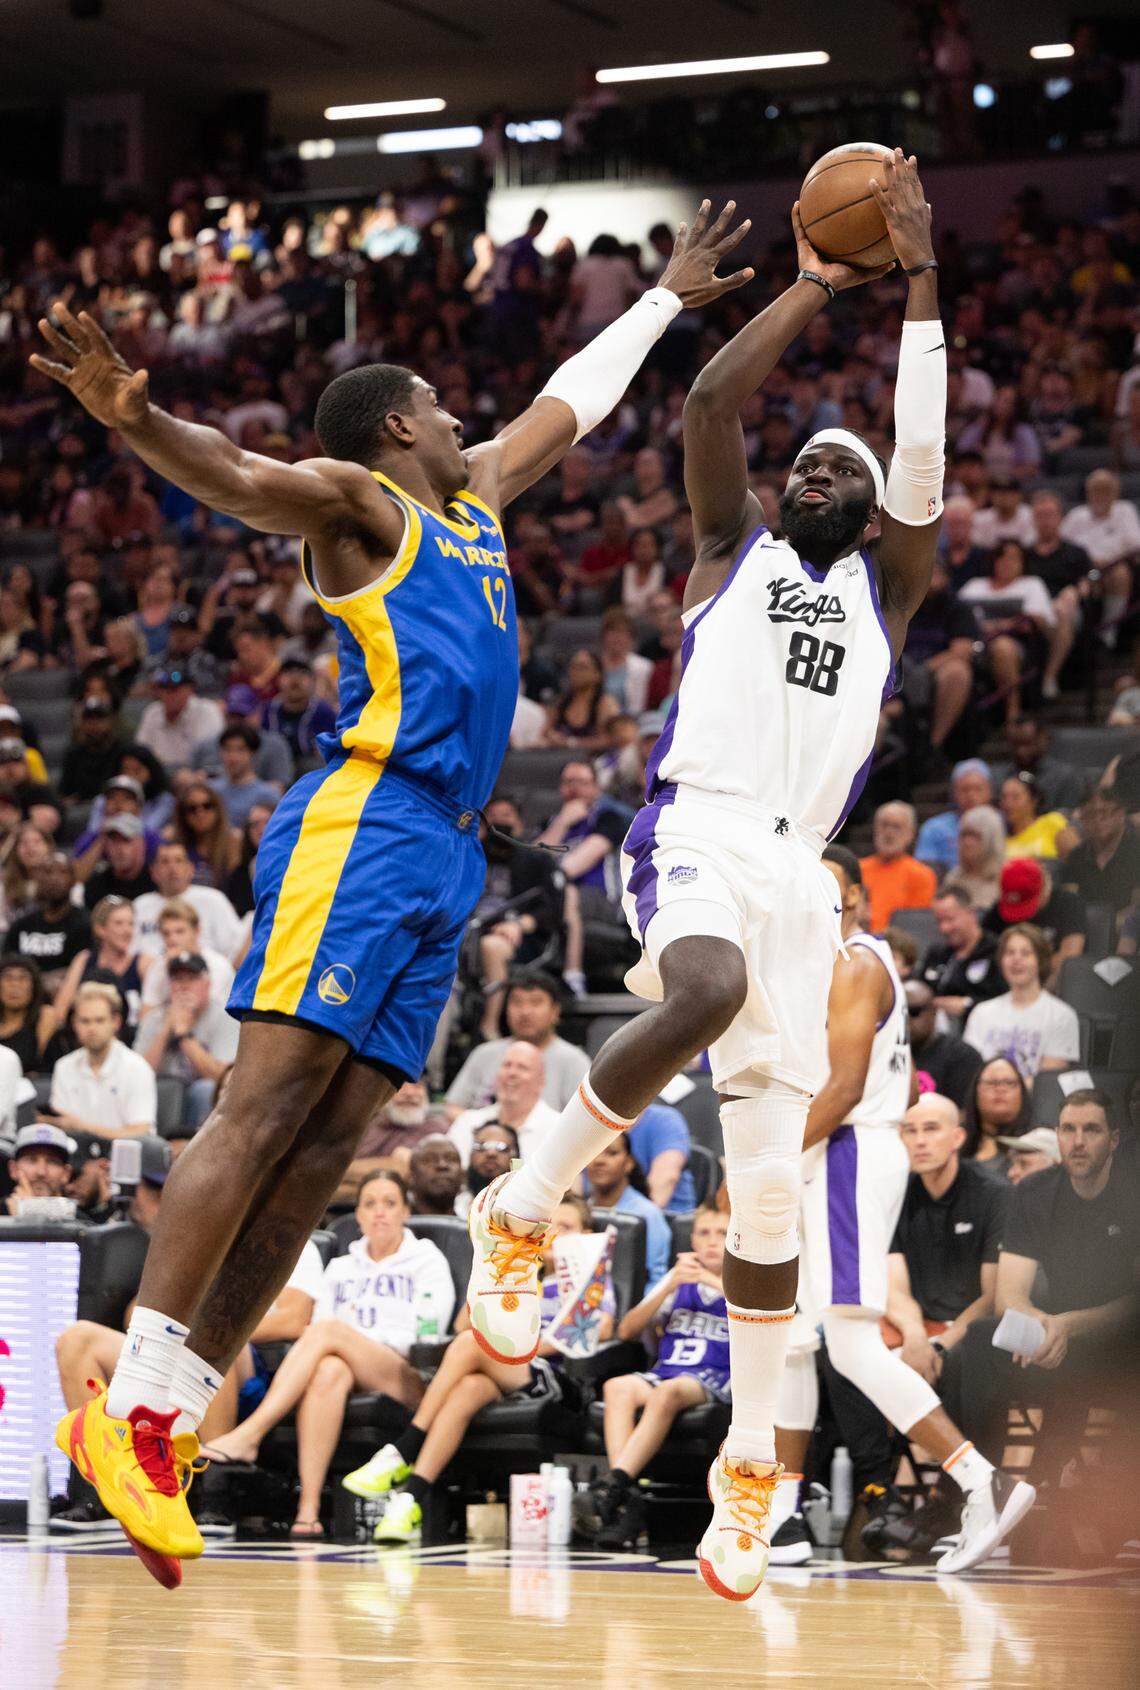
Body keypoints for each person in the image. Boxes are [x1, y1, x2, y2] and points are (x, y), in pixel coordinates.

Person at [37, 216, 749, 1575]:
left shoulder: (473, 497)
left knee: (321, 1160)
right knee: (258, 1116)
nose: (464, 414)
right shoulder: (362, 506)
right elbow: (243, 475)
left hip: (446, 855)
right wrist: (143, 423)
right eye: (441, 407)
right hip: (362, 821)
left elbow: (569, 408)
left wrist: (660, 299)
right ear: (398, 429)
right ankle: (127, 1405)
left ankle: (173, 1424)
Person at [467, 157, 947, 1603]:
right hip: (696, 829)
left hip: (805, 879)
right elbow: (705, 406)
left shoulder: (890, 586)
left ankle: (751, 1460)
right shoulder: (727, 544)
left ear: (867, 514)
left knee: (771, 1209)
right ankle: (530, 1199)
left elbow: (920, 464)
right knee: (705, 983)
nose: (812, 476)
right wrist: (818, 281)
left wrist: (923, 283)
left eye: (838, 477)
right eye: (804, 464)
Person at [341, 1191, 614, 1545]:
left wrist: (518, 1340)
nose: (555, 1234)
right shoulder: (522, 1273)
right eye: (549, 1226)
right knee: (467, 1388)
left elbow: (600, 1330)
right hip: (506, 1370)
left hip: (559, 1378)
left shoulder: (588, 1279)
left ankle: (404, 1449)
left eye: (567, 1227)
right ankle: (410, 1500)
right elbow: (461, 1324)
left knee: (473, 1344)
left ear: (585, 1234)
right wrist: (500, 1271)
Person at [199, 1170, 454, 1536]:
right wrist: (348, 1348)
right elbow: (319, 1334)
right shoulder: (340, 1268)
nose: (379, 1212)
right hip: (345, 1368)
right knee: (328, 1370)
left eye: (389, 1203)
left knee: (330, 1335)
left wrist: (356, 1341)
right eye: (370, 1204)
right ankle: (309, 1510)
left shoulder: (427, 1261)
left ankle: (251, 1434)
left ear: (405, 1212)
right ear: (359, 1216)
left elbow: (427, 1331)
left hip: (406, 1376)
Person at [939, 1091, 1139, 1558]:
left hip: (1121, 1342)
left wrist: (1068, 1325)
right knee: (977, 1340)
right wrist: (1040, 1325)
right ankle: (979, 1493)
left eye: (1091, 1130)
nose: (1077, 1142)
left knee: (1079, 1359)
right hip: (1056, 1332)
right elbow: (1011, 1292)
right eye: (1068, 1130)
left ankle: (1051, 1488)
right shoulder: (1034, 1192)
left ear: (1114, 1139)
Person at [869, 1093, 1011, 1558]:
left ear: (958, 1137)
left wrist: (943, 1344)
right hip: (919, 1324)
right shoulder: (894, 1192)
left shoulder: (993, 1194)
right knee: (846, 1354)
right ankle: (878, 1494)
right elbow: (892, 1284)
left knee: (971, 1356)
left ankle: (956, 1500)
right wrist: (916, 1337)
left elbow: (992, 1295)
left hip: (971, 1328)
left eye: (930, 1129)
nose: (918, 1140)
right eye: (909, 1130)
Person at [590, 1204, 731, 1549]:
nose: (711, 1242)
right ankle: (626, 1496)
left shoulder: (746, 1284)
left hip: (716, 1377)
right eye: (703, 1233)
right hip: (668, 1369)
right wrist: (667, 1288)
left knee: (666, 1393)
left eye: (722, 1234)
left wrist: (710, 1280)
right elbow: (627, 1330)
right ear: (692, 1239)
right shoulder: (677, 1279)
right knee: (617, 1387)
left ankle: (615, 1484)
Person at [444, 970, 587, 1118]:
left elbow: (584, 1122)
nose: (525, 1011)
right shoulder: (484, 1053)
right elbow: (453, 1109)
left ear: (555, 1011)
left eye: (535, 1002)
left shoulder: (574, 1060)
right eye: (517, 1002)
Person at [135, 952, 241, 1134]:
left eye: (192, 978)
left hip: (202, 1105)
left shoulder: (225, 1018)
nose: (184, 986)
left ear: (207, 984)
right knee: (165, 1089)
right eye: (177, 979)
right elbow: (138, 1076)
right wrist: (167, 1028)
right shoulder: (154, 1020)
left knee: (204, 1090)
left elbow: (222, 1079)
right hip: (164, 1100)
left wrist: (183, 1035)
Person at [963, 924, 1081, 1080]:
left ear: (1041, 960)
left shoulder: (1061, 1015)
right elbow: (970, 1072)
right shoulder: (981, 1012)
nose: (1016, 959)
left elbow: (1047, 1084)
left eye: (1026, 953)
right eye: (1010, 952)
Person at [48, 981, 157, 1143]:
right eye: (85, 1021)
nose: (92, 1028)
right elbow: (63, 1127)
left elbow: (140, 1133)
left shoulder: (137, 1067)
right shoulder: (64, 1066)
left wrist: (82, 1126)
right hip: (77, 1159)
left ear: (116, 1022)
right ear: (74, 1024)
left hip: (125, 1158)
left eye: (99, 1021)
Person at [331, 1079, 450, 1202]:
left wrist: (352, 1175)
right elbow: (332, 1173)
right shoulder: (365, 1128)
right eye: (401, 1086)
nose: (409, 1094)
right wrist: (395, 1166)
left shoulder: (440, 1130)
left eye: (417, 1087)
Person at [54, 895, 149, 1042]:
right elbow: (60, 1011)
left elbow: (149, 1019)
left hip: (132, 1043)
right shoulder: (84, 959)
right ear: (100, 929)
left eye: (131, 924)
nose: (127, 930)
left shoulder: (143, 962)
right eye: (119, 923)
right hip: (87, 1041)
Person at [448, 1041, 558, 1167]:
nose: (512, 1073)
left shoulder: (558, 1128)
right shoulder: (467, 1122)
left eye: (522, 1067)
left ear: (541, 1081)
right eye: (507, 1065)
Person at [583, 1132, 672, 1287]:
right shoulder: (580, 1211)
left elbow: (657, 1281)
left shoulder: (648, 1215)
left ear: (629, 1163)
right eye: (593, 1153)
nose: (599, 1160)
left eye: (611, 1153)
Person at [132, 838, 242, 962]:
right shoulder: (139, 905)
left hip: (205, 972)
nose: (172, 868)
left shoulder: (213, 899)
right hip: (150, 974)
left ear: (191, 869)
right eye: (164, 862)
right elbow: (130, 951)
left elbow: (234, 948)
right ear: (153, 872)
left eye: (178, 861)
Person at [537, 759, 629, 905]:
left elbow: (571, 868)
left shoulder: (608, 818)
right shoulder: (550, 823)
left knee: (566, 894)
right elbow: (533, 861)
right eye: (568, 782)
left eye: (582, 782)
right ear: (560, 788)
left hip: (600, 898)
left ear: (596, 788)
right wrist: (562, 822)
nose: (574, 788)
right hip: (556, 894)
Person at [981, 858, 1085, 987]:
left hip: (1052, 983)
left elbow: (1070, 957)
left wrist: (1028, 971)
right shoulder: (997, 911)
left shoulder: (1068, 903)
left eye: (1024, 903)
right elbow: (981, 947)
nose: (1020, 917)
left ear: (1044, 888)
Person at [4, 851, 90, 994]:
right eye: (48, 872)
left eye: (62, 872)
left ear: (73, 880)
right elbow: (7, 967)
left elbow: (81, 971)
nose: (54, 878)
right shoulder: (21, 926)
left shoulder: (84, 924)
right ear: (37, 878)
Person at [918, 886, 1004, 1026]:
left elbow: (1006, 1001)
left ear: (971, 913)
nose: (944, 928)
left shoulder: (997, 952)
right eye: (939, 921)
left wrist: (968, 1005)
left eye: (950, 920)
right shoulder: (936, 953)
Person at [1063, 785, 1140, 916]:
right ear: (1081, 819)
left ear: (1120, 813)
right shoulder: (1077, 856)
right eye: (1090, 814)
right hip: (1087, 925)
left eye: (1104, 812)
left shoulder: (1136, 850)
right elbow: (1071, 902)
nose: (1098, 820)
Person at [859, 801, 937, 930]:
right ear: (875, 829)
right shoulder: (858, 869)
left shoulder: (922, 875)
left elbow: (916, 926)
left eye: (896, 827)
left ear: (910, 834)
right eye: (884, 825)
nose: (889, 833)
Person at [906, 979, 983, 1109]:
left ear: (934, 1011)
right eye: (900, 1012)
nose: (906, 1019)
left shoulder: (963, 1056)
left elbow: (963, 1114)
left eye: (914, 1011)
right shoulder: (885, 1053)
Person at [136, 668, 225, 771]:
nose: (169, 695)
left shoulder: (207, 711)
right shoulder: (152, 711)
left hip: (197, 773)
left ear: (190, 690)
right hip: (158, 773)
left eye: (174, 690)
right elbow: (141, 752)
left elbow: (209, 757)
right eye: (164, 689)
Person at [915, 761, 995, 872]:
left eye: (977, 789)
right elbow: (925, 873)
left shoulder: (1002, 824)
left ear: (989, 792)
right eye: (965, 789)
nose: (971, 796)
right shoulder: (933, 828)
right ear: (954, 793)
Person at [963, 1056, 1032, 1180]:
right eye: (991, 1083)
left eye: (1009, 1083)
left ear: (1022, 1093)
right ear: (975, 1091)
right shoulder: (955, 1147)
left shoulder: (1036, 1147)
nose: (1000, 1089)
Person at [209, 724, 281, 828]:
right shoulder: (210, 791)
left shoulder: (268, 795)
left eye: (240, 750)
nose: (233, 757)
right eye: (227, 749)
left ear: (253, 754)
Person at [941, 804, 1006, 912]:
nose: (967, 842)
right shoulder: (953, 878)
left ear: (992, 840)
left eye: (975, 836)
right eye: (964, 835)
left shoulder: (1005, 879)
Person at [83, 815, 156, 908]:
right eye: (114, 841)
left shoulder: (157, 882)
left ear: (141, 844)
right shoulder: (95, 887)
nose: (119, 849)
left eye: (126, 841)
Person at [5, 1121, 74, 1217]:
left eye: (52, 1161)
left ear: (66, 1174)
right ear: (13, 1169)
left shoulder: (83, 1225)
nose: (41, 1172)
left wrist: (28, 1211)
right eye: (31, 1160)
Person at [998, 771, 1072, 860]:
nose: (1008, 803)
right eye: (1004, 797)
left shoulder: (1052, 822)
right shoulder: (1000, 838)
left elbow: (1075, 858)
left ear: (1034, 800)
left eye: (1015, 797)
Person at [0, 954, 55, 1073]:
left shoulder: (45, 1016)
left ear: (33, 985)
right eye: (7, 978)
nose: (14, 985)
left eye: (22, 978)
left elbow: (39, 1063)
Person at [407, 1133, 465, 1216]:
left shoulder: (476, 1224)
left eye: (451, 1158)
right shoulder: (394, 1226)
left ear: (462, 1175)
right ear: (411, 1176)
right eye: (429, 1160)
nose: (442, 1165)